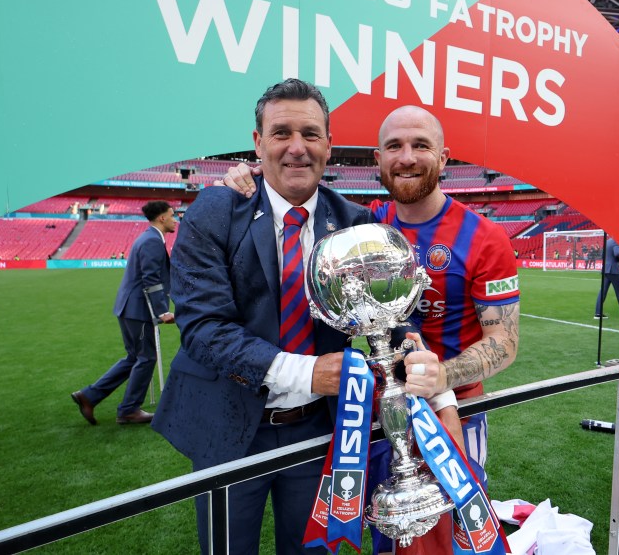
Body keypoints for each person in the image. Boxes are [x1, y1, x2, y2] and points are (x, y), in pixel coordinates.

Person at [151, 81, 449, 555]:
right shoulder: (216, 209)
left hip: (318, 430)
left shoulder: (355, 222)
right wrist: (308, 371)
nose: (296, 148)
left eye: (310, 134)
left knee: (310, 550)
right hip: (227, 424)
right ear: (257, 142)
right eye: (281, 133)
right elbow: (204, 330)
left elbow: (389, 322)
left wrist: (424, 363)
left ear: (328, 146)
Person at [221, 104, 521, 554]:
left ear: (444, 158)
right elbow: (287, 187)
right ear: (376, 159)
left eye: (421, 145)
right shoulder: (362, 223)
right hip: (366, 416)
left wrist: (443, 378)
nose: (406, 157)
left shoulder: (484, 237)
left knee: (448, 544)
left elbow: (505, 342)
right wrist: (245, 177)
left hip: (448, 419)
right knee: (384, 535)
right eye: (394, 146)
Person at [71, 200, 177, 426]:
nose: (174, 218)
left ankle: (89, 396)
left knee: (134, 357)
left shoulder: (149, 238)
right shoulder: (152, 241)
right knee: (146, 357)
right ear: (161, 218)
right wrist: (162, 311)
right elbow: (151, 279)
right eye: (172, 215)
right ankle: (128, 410)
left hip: (130, 307)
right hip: (138, 309)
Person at [594, 237, 619, 319]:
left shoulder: (607, 242)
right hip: (613, 270)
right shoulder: (616, 242)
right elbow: (617, 253)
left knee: (602, 292)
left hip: (605, 269)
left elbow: (602, 255)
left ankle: (598, 313)